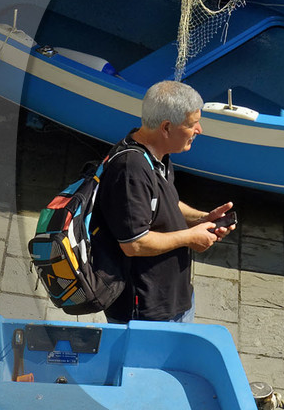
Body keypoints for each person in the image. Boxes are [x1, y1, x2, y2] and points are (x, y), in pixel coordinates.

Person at [90, 81, 235, 324]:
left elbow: (166, 202)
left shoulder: (157, 155)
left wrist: (202, 219)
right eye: (191, 124)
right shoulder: (131, 171)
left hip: (174, 298)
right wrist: (190, 237)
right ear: (166, 127)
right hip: (147, 311)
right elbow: (134, 243)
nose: (199, 130)